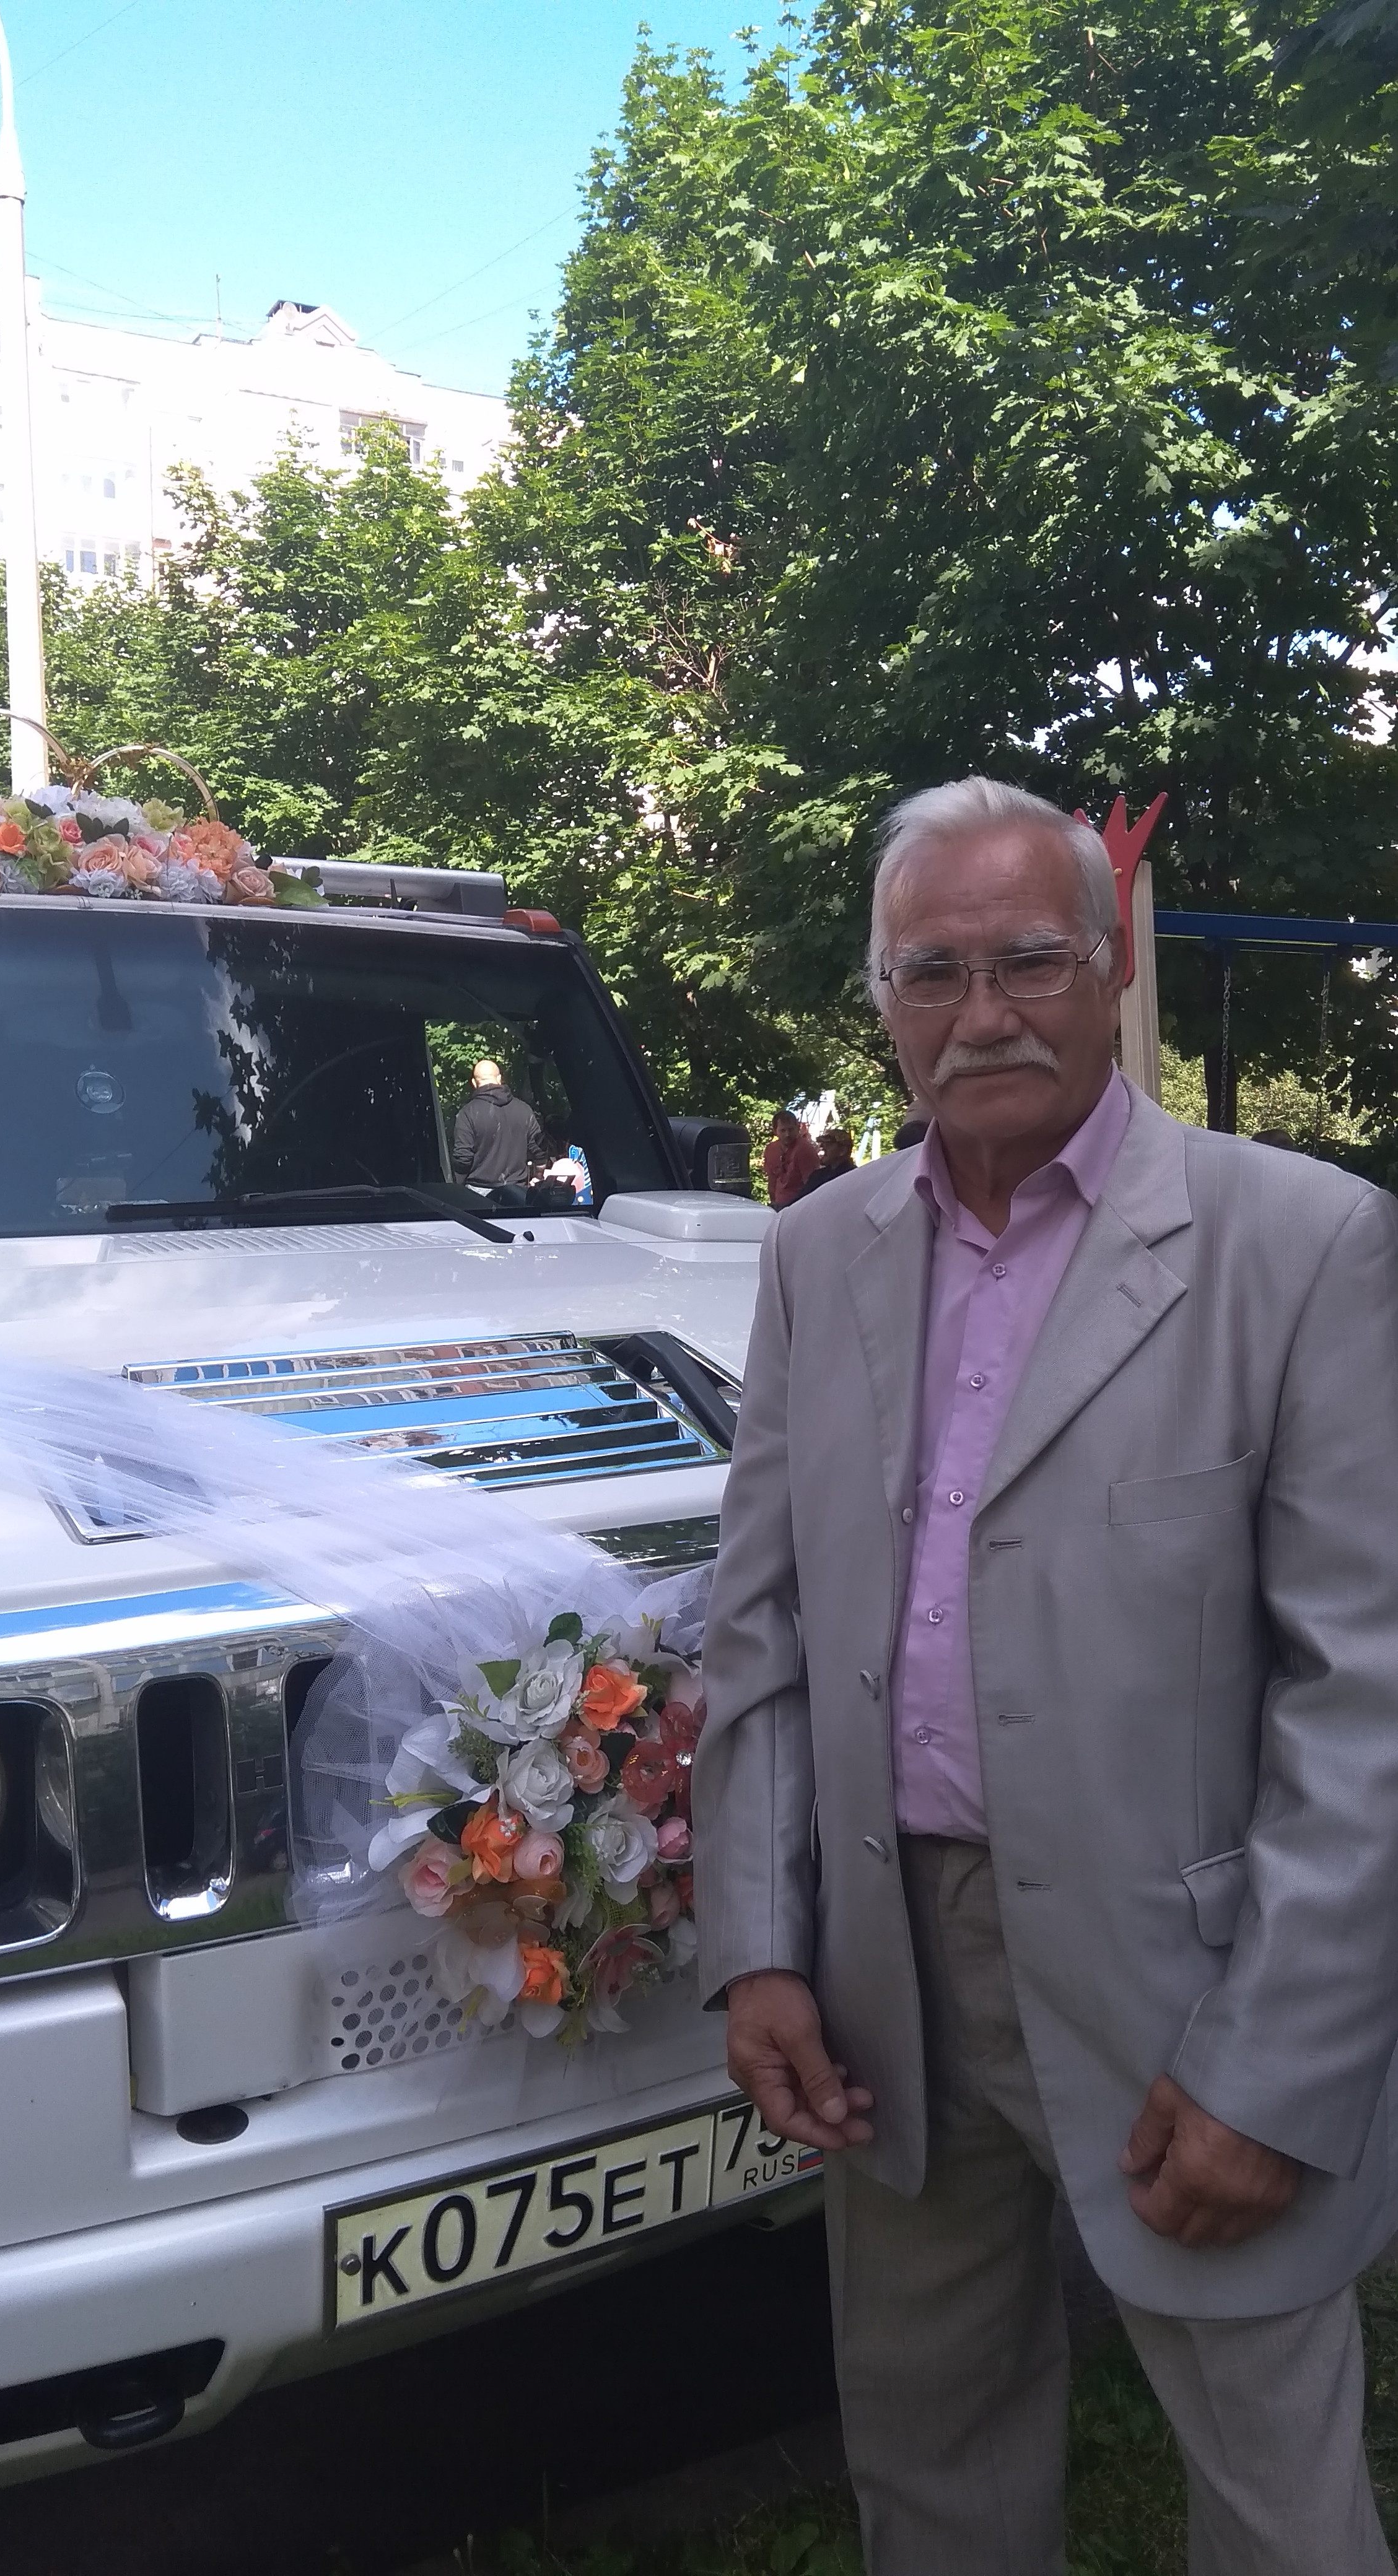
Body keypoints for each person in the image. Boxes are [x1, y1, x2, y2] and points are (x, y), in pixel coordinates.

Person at [694, 774, 1398, 2576]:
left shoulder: (1300, 1244)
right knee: (930, 2459)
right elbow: (763, 1627)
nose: (982, 1013)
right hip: (890, 1977)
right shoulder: (818, 1254)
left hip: (1188, 1984)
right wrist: (760, 1945)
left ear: (1110, 967)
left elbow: (1366, 1702)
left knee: (1277, 2497)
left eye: (1027, 961)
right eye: (932, 974)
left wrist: (1274, 2071)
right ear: (882, 1000)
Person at [451, 1059, 544, 1189]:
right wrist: (539, 1175)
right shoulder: (524, 1109)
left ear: (474, 1083)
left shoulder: (467, 1113)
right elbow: (539, 1149)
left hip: (479, 1191)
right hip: (518, 1191)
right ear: (499, 1079)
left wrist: (459, 1186)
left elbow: (463, 1158)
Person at [763, 1108, 820, 1208]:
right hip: (779, 1205)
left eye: (791, 1130)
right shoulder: (771, 1149)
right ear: (775, 1131)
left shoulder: (805, 1149)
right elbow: (772, 1181)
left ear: (798, 1129)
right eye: (783, 1130)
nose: (787, 1135)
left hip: (799, 1206)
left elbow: (811, 1185)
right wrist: (773, 1203)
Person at [795, 1127, 857, 1196]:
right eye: (822, 1143)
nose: (822, 1147)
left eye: (828, 1144)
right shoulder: (818, 1176)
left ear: (842, 1151)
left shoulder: (853, 1178)